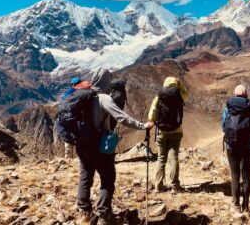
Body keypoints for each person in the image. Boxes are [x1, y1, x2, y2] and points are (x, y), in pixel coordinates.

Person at [76, 69, 154, 224]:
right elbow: (121, 117)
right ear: (106, 81)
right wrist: (142, 126)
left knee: (85, 176)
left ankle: (84, 213)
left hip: (81, 144)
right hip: (98, 145)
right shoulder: (103, 98)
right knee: (107, 177)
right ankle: (103, 215)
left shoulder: (82, 96)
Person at [221, 85, 250, 214]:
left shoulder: (228, 108)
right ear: (245, 95)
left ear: (234, 94)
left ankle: (236, 204)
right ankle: (246, 206)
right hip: (247, 146)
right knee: (246, 175)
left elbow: (223, 126)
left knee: (235, 175)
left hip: (231, 146)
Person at [148, 76, 189, 192]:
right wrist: (180, 86)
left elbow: (150, 116)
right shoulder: (180, 97)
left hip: (161, 132)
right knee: (174, 158)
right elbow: (187, 96)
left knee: (161, 159)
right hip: (176, 132)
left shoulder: (158, 98)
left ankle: (158, 186)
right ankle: (175, 186)